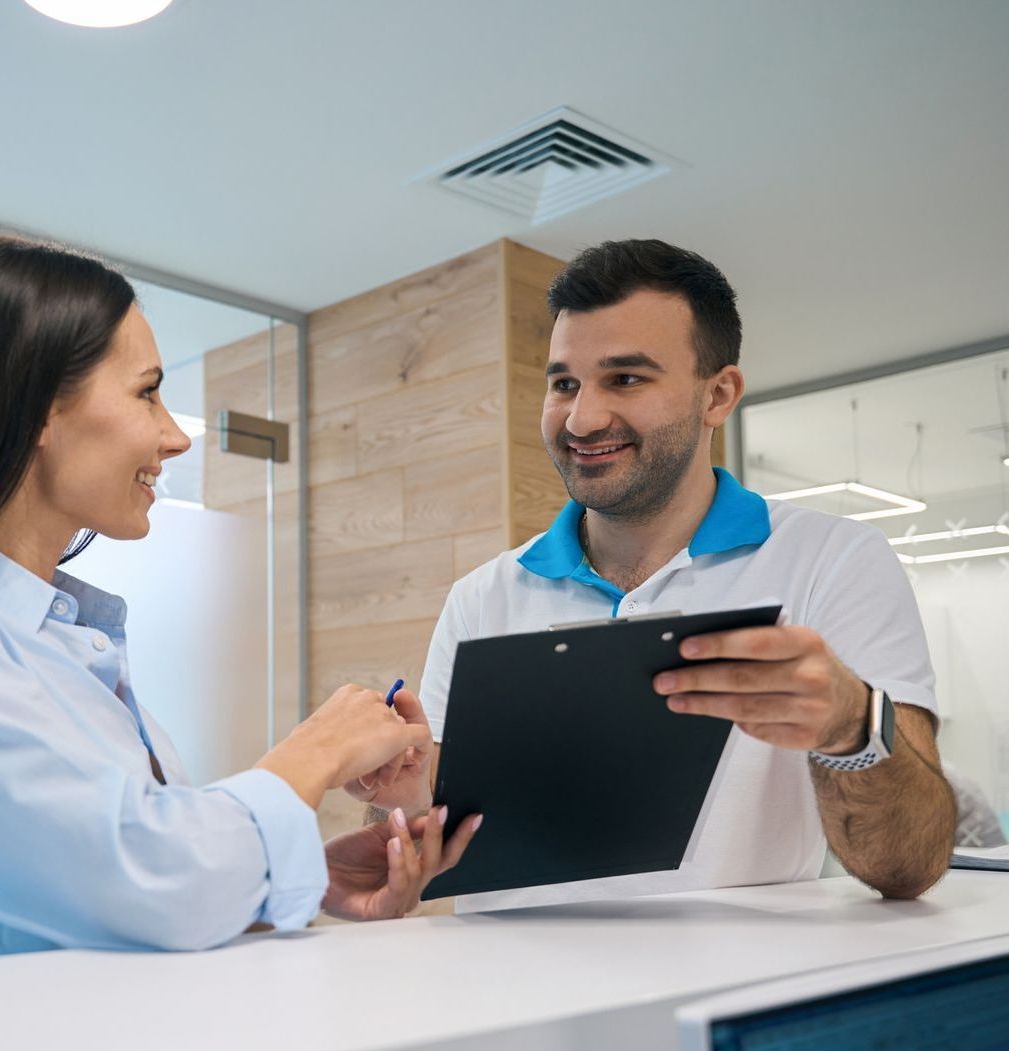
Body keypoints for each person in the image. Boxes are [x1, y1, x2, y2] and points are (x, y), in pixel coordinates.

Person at [0, 236, 479, 967]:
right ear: (37, 409)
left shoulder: (61, 635)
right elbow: (151, 880)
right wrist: (317, 753)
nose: (175, 436)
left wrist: (308, 879)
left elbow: (126, 883)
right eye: (147, 391)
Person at [355, 239, 955, 907]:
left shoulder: (834, 562)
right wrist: (398, 807)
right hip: (510, 991)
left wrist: (851, 724)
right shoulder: (483, 596)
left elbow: (910, 867)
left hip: (726, 998)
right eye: (564, 384)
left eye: (626, 379)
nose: (583, 418)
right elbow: (419, 863)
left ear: (718, 395)